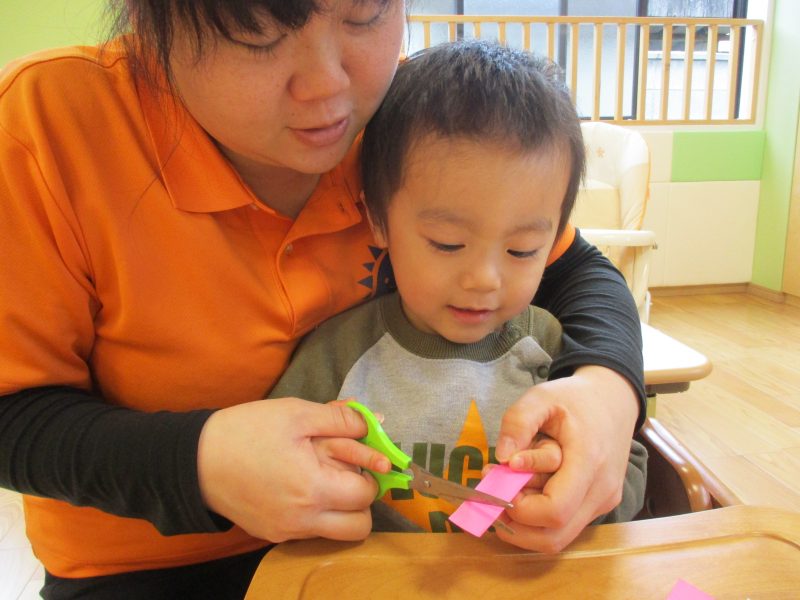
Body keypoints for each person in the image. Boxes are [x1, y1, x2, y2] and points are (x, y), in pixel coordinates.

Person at [0, 0, 644, 596]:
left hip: (380, 552)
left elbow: (575, 269)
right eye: (258, 35)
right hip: (147, 570)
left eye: (364, 16)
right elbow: (14, 419)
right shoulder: (49, 128)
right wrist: (199, 461)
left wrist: (608, 389)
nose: (328, 87)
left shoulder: (402, 114)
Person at [269, 39, 647, 536]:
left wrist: (575, 485)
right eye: (448, 244)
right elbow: (278, 458)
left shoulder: (554, 351)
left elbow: (630, 469)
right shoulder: (339, 355)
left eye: (522, 251)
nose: (484, 280)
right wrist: (316, 467)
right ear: (378, 220)